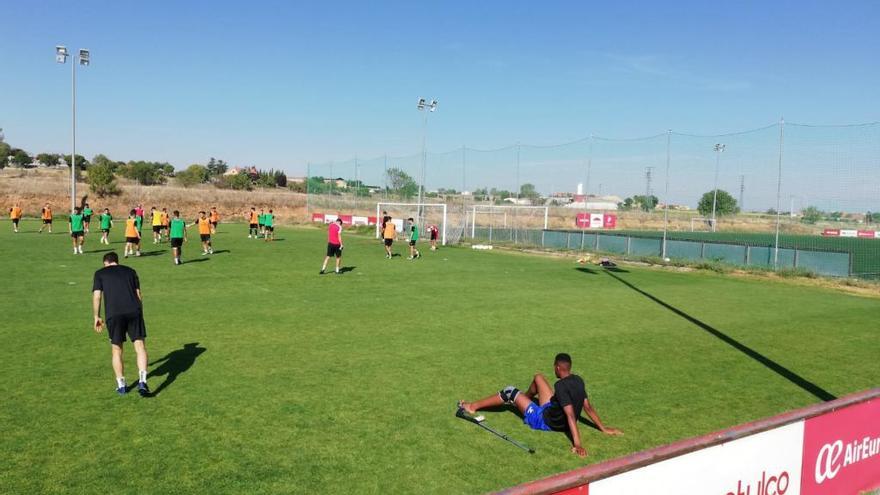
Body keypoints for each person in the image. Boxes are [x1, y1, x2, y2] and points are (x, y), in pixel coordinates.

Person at [458, 353, 622, 458]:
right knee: (538, 378)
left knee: (509, 391)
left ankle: (472, 406)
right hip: (551, 410)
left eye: (554, 367)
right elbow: (588, 407)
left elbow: (571, 415)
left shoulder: (560, 386)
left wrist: (577, 444)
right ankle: (523, 401)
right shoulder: (578, 380)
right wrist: (603, 428)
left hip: (544, 420)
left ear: (558, 368)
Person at [92, 251, 150, 396]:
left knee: (117, 350)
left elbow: (97, 296)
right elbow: (138, 295)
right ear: (117, 261)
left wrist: (96, 316)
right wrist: (139, 313)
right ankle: (142, 381)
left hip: (114, 313)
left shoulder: (100, 273)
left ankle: (121, 385)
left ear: (106, 263)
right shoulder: (131, 271)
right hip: (134, 311)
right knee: (140, 346)